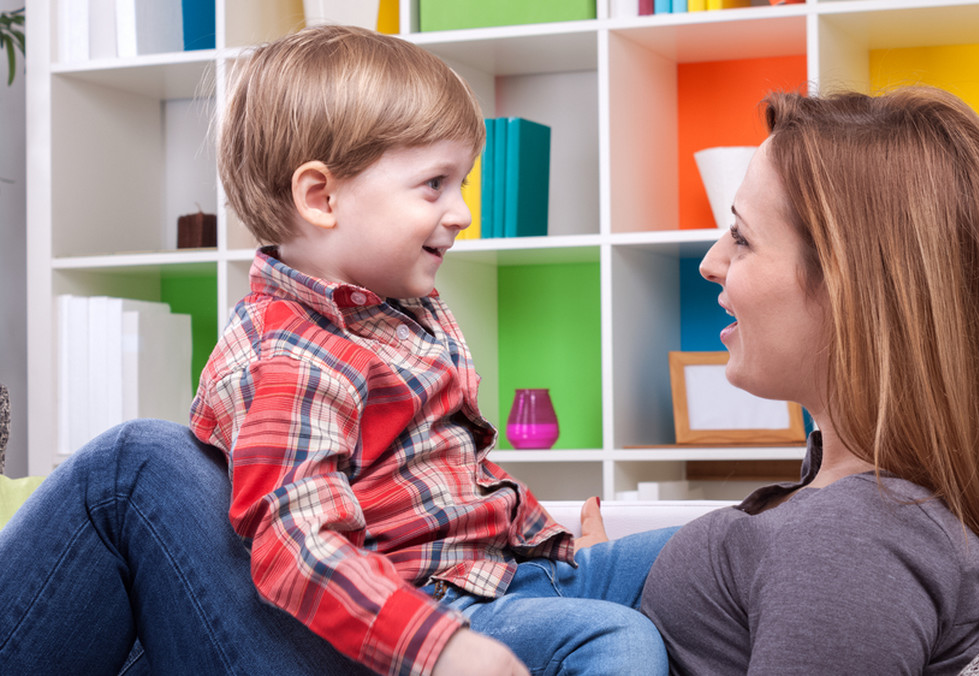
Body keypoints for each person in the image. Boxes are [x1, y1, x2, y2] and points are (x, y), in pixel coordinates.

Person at [0, 25, 672, 676]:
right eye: (435, 184)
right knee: (616, 637)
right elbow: (300, 543)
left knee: (706, 548)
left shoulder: (397, 311)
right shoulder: (289, 353)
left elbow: (455, 479)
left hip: (503, 571)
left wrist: (548, 541)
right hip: (433, 605)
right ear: (321, 197)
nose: (462, 210)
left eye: (462, 183)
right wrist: (440, 649)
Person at [638, 87, 979, 674]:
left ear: (853, 294)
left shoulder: (850, 545)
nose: (711, 262)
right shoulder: (887, 513)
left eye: (741, 237)